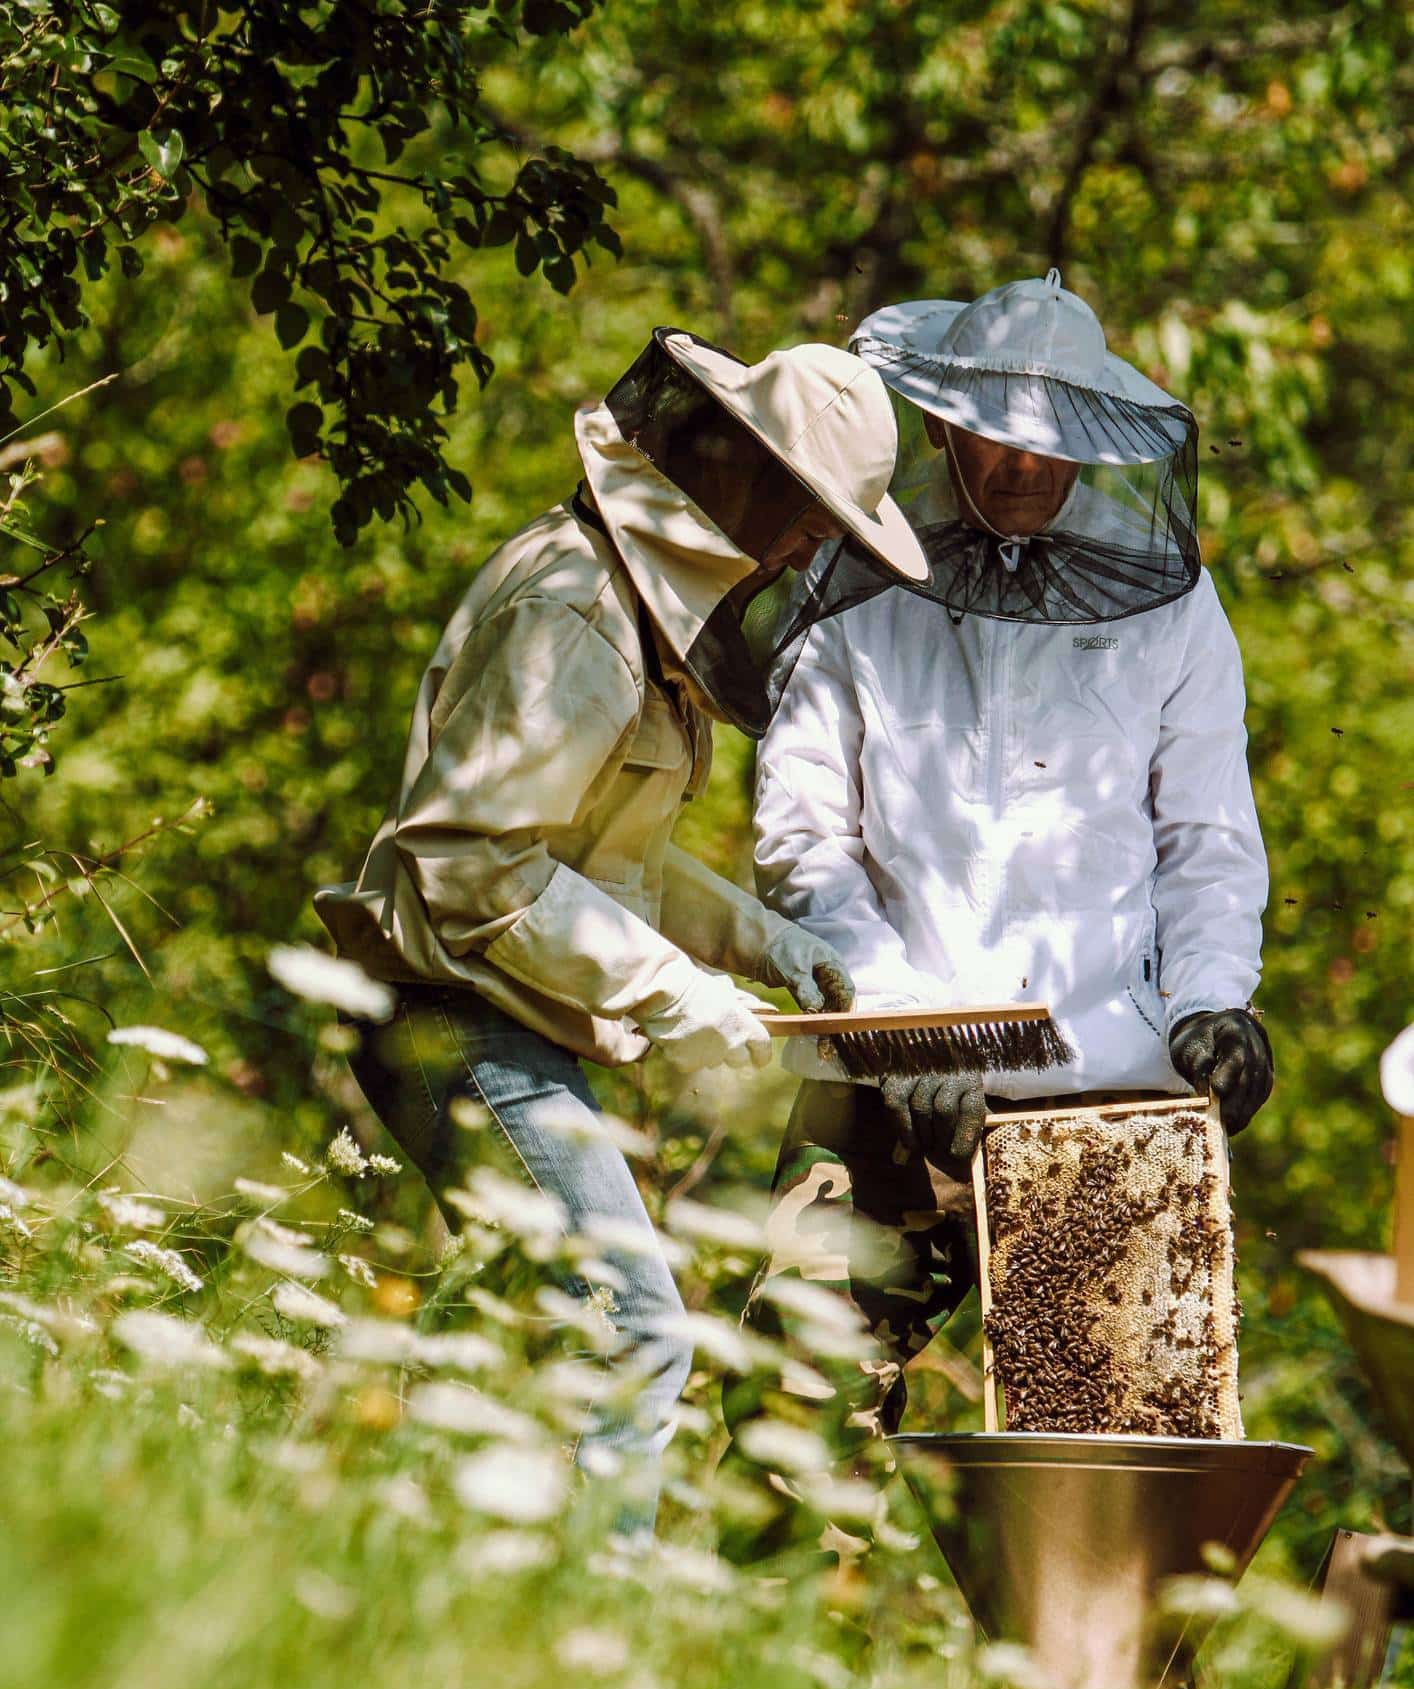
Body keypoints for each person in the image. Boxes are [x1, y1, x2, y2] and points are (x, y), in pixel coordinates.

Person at [313, 326, 927, 1519]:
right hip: (457, 1021)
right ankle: (590, 1647)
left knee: (519, 1338)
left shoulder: (632, 616)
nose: (808, 553)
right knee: (629, 1332)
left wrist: (758, 943)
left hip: (497, 1025)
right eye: (809, 518)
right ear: (743, 475)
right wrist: (677, 992)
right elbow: (468, 862)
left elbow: (601, 856)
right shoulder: (577, 616)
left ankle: (417, 1584)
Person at [735, 271, 1272, 1478]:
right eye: (996, 433)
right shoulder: (858, 591)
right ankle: (767, 1655)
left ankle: (1088, 1676)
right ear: (939, 423)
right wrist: (902, 1029)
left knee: (1112, 1479)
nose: (1026, 464)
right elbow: (805, 840)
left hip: (1105, 1096)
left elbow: (1205, 842)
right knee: (790, 1422)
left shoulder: (1175, 613)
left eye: (1053, 438)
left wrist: (1211, 1004)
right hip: (879, 1092)